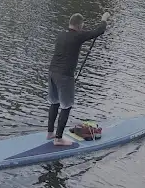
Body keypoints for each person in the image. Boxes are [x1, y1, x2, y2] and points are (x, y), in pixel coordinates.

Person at [47, 11, 111, 146]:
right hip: (65, 76)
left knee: (54, 102)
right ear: (80, 25)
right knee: (66, 106)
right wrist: (104, 19)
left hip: (52, 72)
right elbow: (99, 31)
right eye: (82, 26)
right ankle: (58, 139)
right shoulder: (77, 36)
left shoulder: (60, 34)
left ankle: (50, 133)